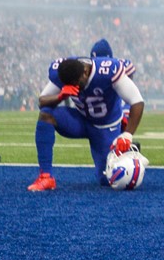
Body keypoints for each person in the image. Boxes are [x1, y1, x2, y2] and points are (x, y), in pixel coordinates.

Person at [28, 56, 145, 191]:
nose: (75, 87)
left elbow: (137, 101)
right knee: (46, 114)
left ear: (85, 72)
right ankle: (46, 177)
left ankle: (126, 149)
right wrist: (60, 96)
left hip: (105, 127)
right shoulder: (64, 71)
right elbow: (42, 101)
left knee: (107, 180)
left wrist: (128, 134)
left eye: (76, 83)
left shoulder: (107, 71)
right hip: (80, 120)